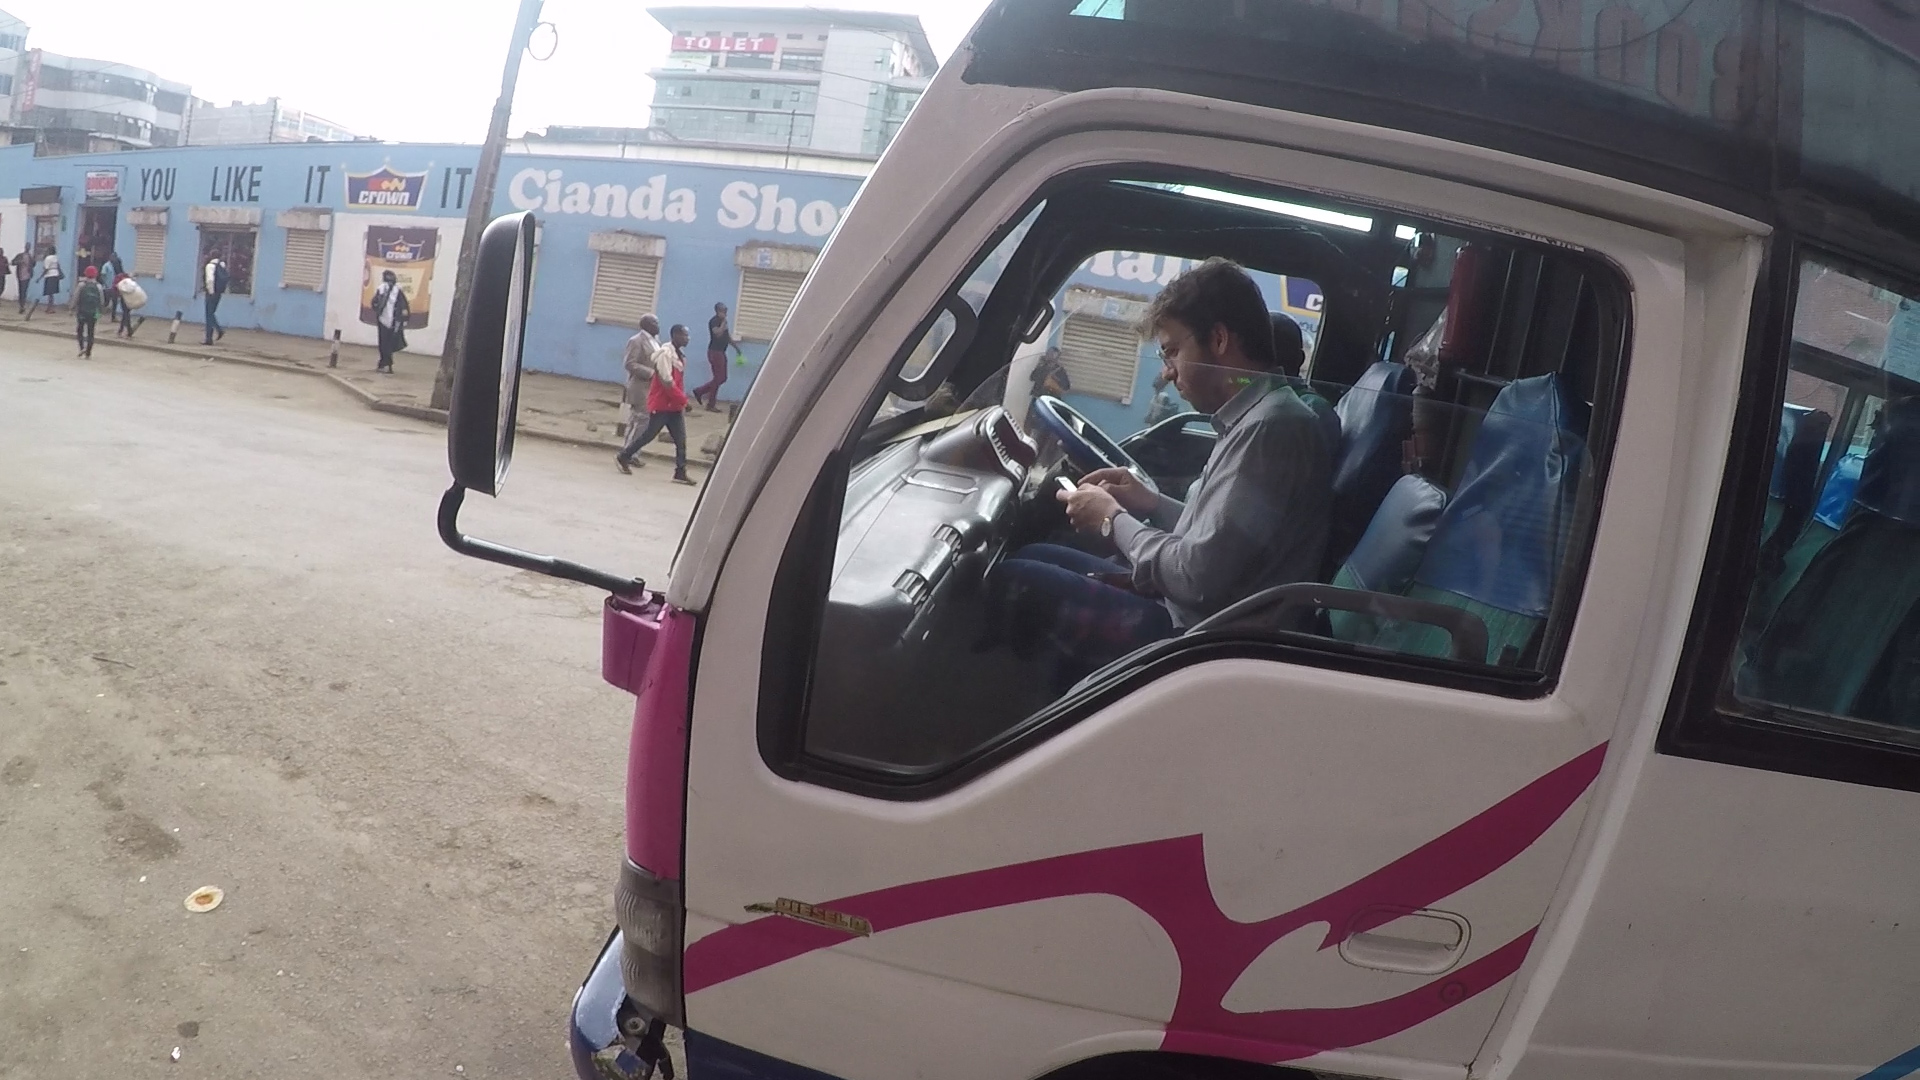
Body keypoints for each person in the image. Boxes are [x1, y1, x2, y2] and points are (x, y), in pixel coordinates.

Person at [993, 258, 1332, 687]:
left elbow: (1196, 578)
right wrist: (1149, 502)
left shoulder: (1271, 430)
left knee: (1014, 580)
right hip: (1197, 618)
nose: (1167, 372)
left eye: (1172, 351)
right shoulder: (1258, 415)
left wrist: (1113, 520)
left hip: (1200, 646)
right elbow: (1223, 538)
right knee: (1036, 557)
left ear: (1220, 339)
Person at [615, 323, 698, 485]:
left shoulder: (679, 355)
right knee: (648, 435)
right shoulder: (665, 355)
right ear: (675, 336)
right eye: (684, 335)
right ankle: (624, 455)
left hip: (674, 405)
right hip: (662, 404)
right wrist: (683, 400)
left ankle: (680, 472)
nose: (687, 338)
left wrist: (680, 401)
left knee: (681, 440)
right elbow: (667, 382)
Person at [692, 301, 742, 412]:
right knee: (718, 378)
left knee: (722, 378)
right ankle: (709, 403)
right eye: (724, 311)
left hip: (721, 352)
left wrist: (736, 347)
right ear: (718, 311)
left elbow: (726, 336)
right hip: (715, 352)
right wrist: (723, 323)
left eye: (726, 311)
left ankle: (700, 392)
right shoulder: (714, 321)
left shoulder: (724, 322)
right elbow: (718, 334)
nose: (726, 313)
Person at [621, 315, 661, 438]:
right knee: (642, 420)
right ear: (646, 325)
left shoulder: (656, 341)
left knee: (638, 421)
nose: (658, 326)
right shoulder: (636, 340)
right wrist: (651, 373)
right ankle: (630, 452)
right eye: (655, 323)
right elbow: (630, 363)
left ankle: (629, 451)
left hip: (653, 387)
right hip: (640, 387)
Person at [372, 270, 410, 373]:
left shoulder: (397, 291)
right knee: (384, 343)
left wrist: (403, 319)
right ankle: (385, 364)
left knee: (389, 343)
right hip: (383, 320)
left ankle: (386, 364)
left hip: (393, 322)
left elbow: (404, 306)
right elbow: (374, 303)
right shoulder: (381, 289)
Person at [71, 265, 103, 358]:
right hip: (93, 313)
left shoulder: (81, 285)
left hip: (82, 312)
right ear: (95, 275)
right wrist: (99, 312)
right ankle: (88, 352)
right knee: (91, 331)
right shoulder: (99, 286)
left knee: (80, 330)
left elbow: (75, 298)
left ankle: (82, 348)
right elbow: (101, 301)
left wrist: (71, 308)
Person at [202, 255, 228, 344]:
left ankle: (210, 337)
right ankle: (215, 332)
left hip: (211, 293)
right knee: (211, 314)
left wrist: (211, 292)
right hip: (219, 293)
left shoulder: (210, 266)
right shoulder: (222, 264)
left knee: (209, 315)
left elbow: (210, 280)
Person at [113, 272, 147, 337]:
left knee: (125, 314)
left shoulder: (118, 278)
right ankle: (124, 330)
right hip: (131, 299)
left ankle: (126, 330)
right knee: (126, 313)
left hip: (125, 298)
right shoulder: (129, 280)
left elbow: (115, 288)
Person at [36, 248, 63, 316]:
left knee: (49, 293)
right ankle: (51, 307)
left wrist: (39, 278)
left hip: (50, 275)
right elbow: (58, 266)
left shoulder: (48, 258)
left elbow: (46, 269)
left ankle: (49, 308)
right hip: (55, 275)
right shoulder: (55, 258)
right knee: (51, 293)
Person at [12, 248, 31, 314]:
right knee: (21, 291)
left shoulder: (30, 256)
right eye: (27, 246)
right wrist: (19, 262)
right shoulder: (20, 255)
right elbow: (13, 262)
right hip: (20, 276)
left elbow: (33, 264)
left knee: (24, 291)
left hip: (27, 276)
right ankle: (21, 306)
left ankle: (22, 306)